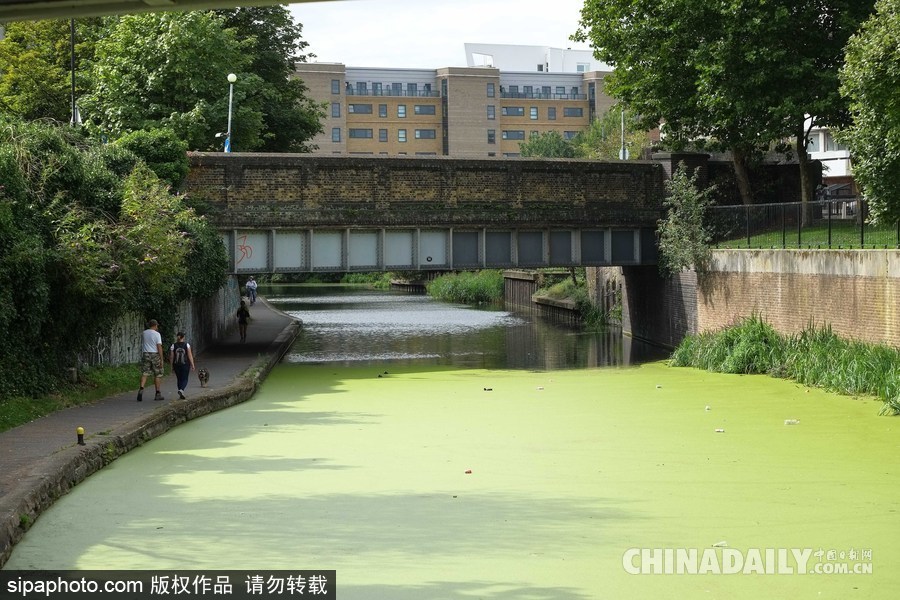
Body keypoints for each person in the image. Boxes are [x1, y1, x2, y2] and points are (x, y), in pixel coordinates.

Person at [138, 319, 165, 402]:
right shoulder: (157, 334)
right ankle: (157, 393)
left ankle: (141, 388)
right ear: (155, 325)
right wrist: (161, 359)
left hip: (146, 354)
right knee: (158, 374)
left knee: (145, 373)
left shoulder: (144, 333)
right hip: (155, 355)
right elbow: (159, 346)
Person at [169, 331, 196, 400]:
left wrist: (171, 366)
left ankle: (181, 392)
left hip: (176, 365)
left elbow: (171, 357)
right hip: (185, 364)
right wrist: (192, 364)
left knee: (179, 378)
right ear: (183, 337)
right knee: (185, 378)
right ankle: (181, 390)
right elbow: (190, 355)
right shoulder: (187, 345)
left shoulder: (173, 345)